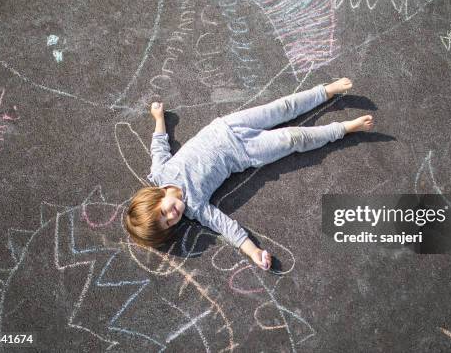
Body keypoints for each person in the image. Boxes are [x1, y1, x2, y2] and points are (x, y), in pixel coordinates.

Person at [124, 78, 374, 270]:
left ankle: (325, 91)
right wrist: (254, 252)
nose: (172, 215)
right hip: (245, 153)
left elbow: (159, 144)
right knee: (293, 139)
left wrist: (158, 118)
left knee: (283, 107)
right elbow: (226, 227)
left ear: (154, 197)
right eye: (168, 223)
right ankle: (343, 129)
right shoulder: (195, 208)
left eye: (163, 212)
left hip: (229, 125)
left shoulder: (160, 172)